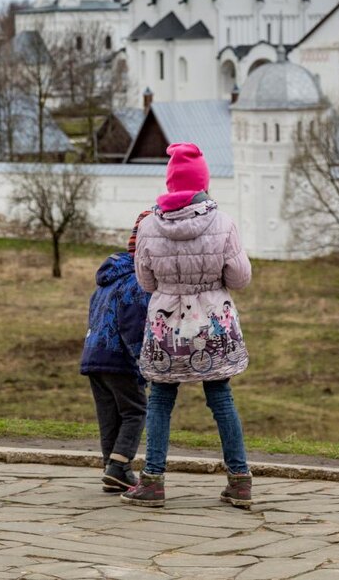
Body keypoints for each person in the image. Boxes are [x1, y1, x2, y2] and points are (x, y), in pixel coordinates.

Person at [122, 142, 254, 509]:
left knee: (161, 400)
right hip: (212, 324)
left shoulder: (149, 225)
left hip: (166, 326)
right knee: (221, 398)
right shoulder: (224, 222)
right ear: (202, 183)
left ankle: (152, 480)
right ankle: (239, 480)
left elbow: (145, 282)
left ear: (170, 183)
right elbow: (240, 278)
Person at [79, 211, 152, 493]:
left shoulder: (107, 281)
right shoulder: (135, 282)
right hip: (119, 357)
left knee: (109, 414)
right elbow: (133, 324)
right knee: (135, 410)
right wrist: (141, 360)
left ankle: (112, 468)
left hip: (94, 356)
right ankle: (120, 465)